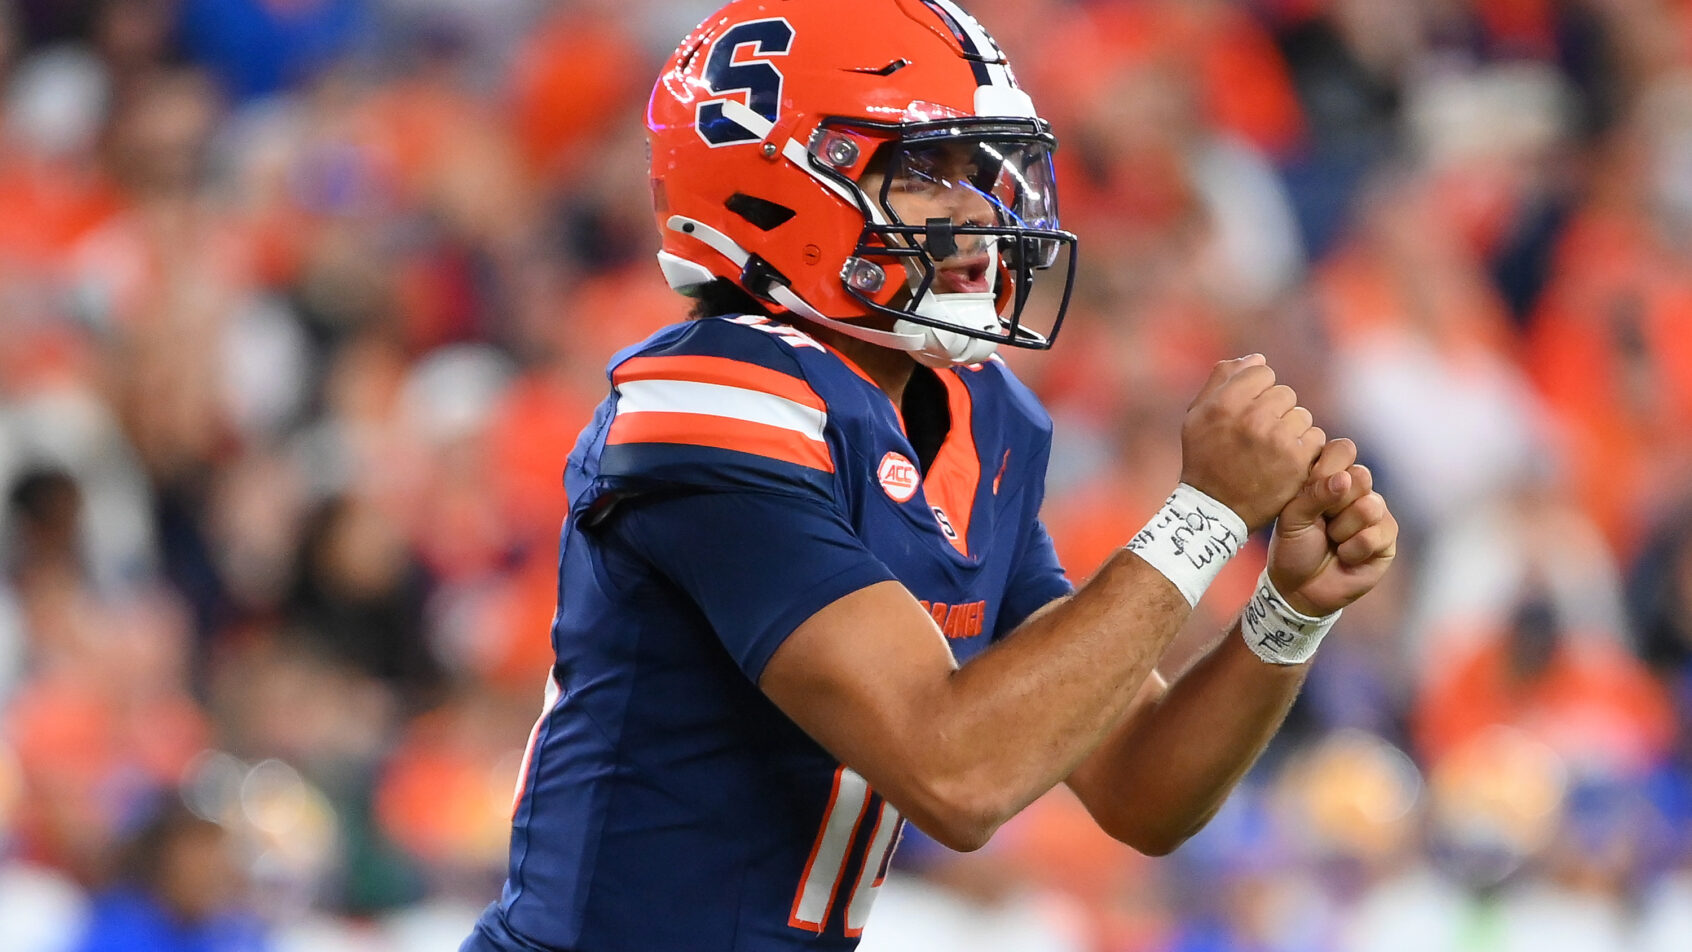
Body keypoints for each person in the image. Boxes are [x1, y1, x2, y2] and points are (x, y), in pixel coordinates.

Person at [461, 1, 1399, 950]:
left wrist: (1286, 610)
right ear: (778, 184)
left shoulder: (975, 414)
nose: (977, 213)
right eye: (924, 173)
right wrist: (1200, 515)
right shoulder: (712, 403)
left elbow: (1138, 789)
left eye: (979, 172)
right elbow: (958, 775)